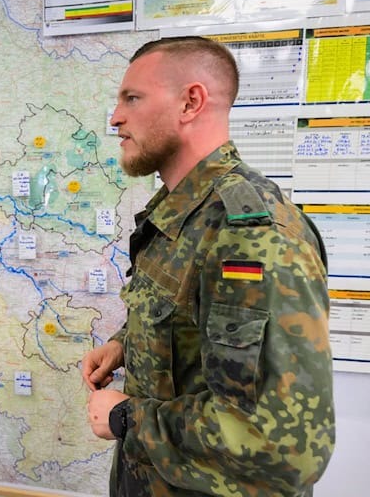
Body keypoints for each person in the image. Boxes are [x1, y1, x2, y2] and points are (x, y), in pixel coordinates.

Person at [82, 36, 334, 496]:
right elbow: (192, 324)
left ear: (190, 102)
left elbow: (283, 445)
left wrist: (125, 418)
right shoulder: (185, 213)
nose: (116, 117)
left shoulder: (251, 234)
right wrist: (126, 344)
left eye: (132, 98)